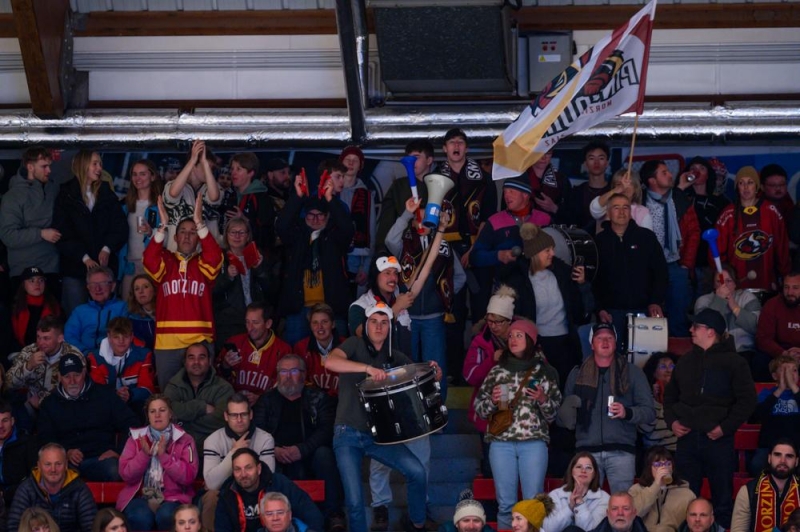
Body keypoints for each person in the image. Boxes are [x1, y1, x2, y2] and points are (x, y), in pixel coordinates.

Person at [324, 303, 440, 532]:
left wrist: (434, 371)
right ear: (366, 325)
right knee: (355, 501)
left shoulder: (395, 356)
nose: (379, 326)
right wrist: (367, 368)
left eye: (384, 322)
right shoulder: (354, 344)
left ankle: (417, 523)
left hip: (379, 436)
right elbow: (330, 362)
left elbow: (424, 376)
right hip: (347, 432)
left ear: (390, 327)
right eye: (374, 322)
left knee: (416, 471)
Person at [663, 308, 757, 529]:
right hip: (686, 440)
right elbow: (669, 398)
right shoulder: (685, 361)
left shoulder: (735, 363)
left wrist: (725, 428)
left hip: (718, 441)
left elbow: (748, 401)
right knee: (685, 501)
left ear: (711, 332)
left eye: (696, 327)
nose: (690, 330)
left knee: (722, 502)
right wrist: (672, 422)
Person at [473, 319, 562, 530]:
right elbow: (479, 409)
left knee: (532, 504)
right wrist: (492, 401)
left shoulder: (544, 371)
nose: (513, 339)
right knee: (505, 505)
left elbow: (554, 415)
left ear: (530, 339)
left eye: (519, 335)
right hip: (500, 443)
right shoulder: (497, 371)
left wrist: (542, 399)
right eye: (511, 335)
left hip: (533, 443)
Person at [384, 194, 465, 401]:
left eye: (425, 218)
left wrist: (442, 297)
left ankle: (438, 412)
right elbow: (388, 239)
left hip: (433, 317)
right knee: (406, 366)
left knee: (435, 366)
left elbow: (459, 277)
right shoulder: (403, 244)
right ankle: (412, 413)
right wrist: (406, 213)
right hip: (405, 317)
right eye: (416, 218)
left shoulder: (444, 245)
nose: (421, 223)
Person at [558, 323, 655, 494]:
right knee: (585, 506)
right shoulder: (577, 374)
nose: (605, 341)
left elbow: (649, 412)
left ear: (616, 343)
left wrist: (628, 412)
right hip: (586, 453)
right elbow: (563, 420)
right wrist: (568, 412)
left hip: (622, 452)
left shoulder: (633, 373)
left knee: (622, 507)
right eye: (599, 337)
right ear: (591, 344)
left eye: (609, 337)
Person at [253, 355, 344, 531]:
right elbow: (258, 429)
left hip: (310, 455)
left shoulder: (318, 398)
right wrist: (274, 450)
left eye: (294, 371)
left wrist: (302, 450)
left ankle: (334, 514)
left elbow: (326, 430)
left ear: (304, 375)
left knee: (325, 454)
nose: (288, 376)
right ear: (277, 375)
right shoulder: (266, 400)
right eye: (283, 372)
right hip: (277, 457)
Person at [143, 192, 224, 391]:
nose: (187, 236)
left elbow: (215, 257)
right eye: (182, 232)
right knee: (169, 395)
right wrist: (163, 226)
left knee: (202, 394)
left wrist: (200, 223)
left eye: (192, 232)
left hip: (199, 342)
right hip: (167, 344)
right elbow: (149, 260)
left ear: (198, 238)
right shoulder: (167, 260)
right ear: (176, 237)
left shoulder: (203, 264)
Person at [498, 222, 589, 387]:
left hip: (565, 344)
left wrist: (582, 285)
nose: (553, 253)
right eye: (547, 250)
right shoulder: (518, 281)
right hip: (536, 344)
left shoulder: (563, 273)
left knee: (564, 388)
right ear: (534, 253)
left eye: (552, 249)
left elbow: (581, 312)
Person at [276, 168, 353, 346]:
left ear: (328, 217)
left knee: (337, 356)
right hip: (298, 308)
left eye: (320, 216)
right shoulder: (297, 236)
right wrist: (298, 197)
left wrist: (330, 199)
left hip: (331, 307)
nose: (315, 219)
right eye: (311, 214)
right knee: (296, 353)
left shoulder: (334, 237)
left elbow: (347, 228)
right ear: (304, 216)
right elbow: (282, 226)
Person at [37, 353, 137, 481]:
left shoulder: (105, 395)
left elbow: (132, 424)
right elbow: (45, 438)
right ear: (59, 377)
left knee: (115, 469)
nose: (72, 381)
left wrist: (118, 451)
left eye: (77, 375)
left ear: (84, 373)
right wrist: (65, 452)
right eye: (67, 377)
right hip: (66, 463)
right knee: (53, 474)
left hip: (102, 459)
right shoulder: (49, 404)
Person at [53, 150, 127, 314]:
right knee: (77, 314)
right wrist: (84, 258)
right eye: (94, 164)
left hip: (104, 269)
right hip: (75, 269)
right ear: (83, 165)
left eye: (100, 164)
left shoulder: (106, 192)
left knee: (107, 316)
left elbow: (120, 226)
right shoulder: (66, 194)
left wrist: (107, 248)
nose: (99, 168)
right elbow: (62, 232)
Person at [593, 193, 667, 353]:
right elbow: (594, 281)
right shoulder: (599, 241)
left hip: (644, 311)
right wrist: (599, 308)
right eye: (616, 207)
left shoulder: (647, 238)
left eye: (625, 207)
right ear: (608, 212)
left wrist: (655, 301)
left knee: (644, 361)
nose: (621, 212)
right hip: (611, 313)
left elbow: (661, 273)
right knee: (613, 359)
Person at [117, 394, 198, 532]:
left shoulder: (184, 439)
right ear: (147, 416)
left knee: (166, 515)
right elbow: (126, 475)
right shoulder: (135, 439)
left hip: (174, 497)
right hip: (141, 496)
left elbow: (188, 477)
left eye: (162, 410)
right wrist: (144, 454)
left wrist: (164, 456)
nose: (157, 415)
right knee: (139, 516)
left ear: (170, 414)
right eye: (152, 411)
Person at [640, 159, 700, 338]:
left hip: (676, 265)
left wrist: (686, 265)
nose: (670, 175)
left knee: (679, 317)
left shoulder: (680, 198)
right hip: (648, 268)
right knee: (648, 316)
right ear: (652, 180)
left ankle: (678, 359)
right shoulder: (639, 200)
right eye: (664, 172)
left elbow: (694, 232)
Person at [201, 393, 276, 529]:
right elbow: (212, 484)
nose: (239, 419)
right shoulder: (212, 441)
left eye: (244, 414)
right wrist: (233, 453)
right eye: (234, 415)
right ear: (226, 416)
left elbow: (268, 477)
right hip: (225, 494)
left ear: (251, 414)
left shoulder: (265, 439)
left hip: (255, 493)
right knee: (211, 497)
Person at [716, 165, 791, 291]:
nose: (746, 187)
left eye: (750, 182)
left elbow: (782, 248)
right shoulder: (727, 214)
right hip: (737, 285)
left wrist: (785, 276)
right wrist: (725, 280)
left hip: (767, 283)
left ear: (757, 186)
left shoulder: (771, 211)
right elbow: (718, 252)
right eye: (741, 183)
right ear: (736, 187)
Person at [214, 448, 324, 532]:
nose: (243, 474)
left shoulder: (278, 483)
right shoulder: (227, 493)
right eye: (237, 469)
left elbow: (310, 512)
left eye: (248, 468)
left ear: (259, 469)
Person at [0, 147, 60, 293]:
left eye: (49, 166)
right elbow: (8, 235)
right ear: (30, 167)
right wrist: (41, 233)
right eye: (44, 166)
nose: (49, 171)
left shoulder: (53, 189)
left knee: (53, 315)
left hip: (51, 268)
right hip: (23, 271)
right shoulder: (12, 196)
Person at [5, 316, 83, 419]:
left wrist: (42, 402)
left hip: (61, 409)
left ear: (60, 338)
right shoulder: (29, 351)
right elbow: (8, 384)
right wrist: (28, 366)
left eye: (46, 338)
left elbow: (76, 390)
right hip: (29, 406)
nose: (41, 343)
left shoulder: (73, 356)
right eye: (38, 337)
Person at [7, 443, 97, 532]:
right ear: (39, 466)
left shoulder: (79, 489)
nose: (53, 469)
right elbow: (14, 526)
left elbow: (91, 527)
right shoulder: (27, 489)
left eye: (58, 464)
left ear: (66, 465)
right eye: (47, 464)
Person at [464, 286, 516, 435]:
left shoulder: (524, 340)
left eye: (498, 322)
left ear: (509, 321)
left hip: (519, 413)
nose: (492, 326)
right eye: (490, 321)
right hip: (488, 412)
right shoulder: (480, 341)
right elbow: (469, 376)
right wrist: (491, 361)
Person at [673, 157, 730, 295]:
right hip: (684, 261)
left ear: (709, 175)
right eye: (693, 168)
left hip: (710, 263)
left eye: (702, 168)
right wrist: (681, 188)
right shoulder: (679, 198)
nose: (697, 171)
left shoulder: (721, 202)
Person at [163, 343, 234, 453]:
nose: (196, 362)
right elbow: (165, 414)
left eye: (202, 357)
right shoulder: (173, 385)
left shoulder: (223, 388)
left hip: (213, 451)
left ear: (210, 361)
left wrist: (181, 422)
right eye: (191, 357)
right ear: (185, 362)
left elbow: (222, 421)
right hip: (177, 452)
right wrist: (200, 407)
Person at [213, 217, 271, 350]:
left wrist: (260, 269)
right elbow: (211, 292)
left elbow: (271, 289)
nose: (237, 236)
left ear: (248, 236)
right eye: (233, 232)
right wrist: (227, 277)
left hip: (255, 321)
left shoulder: (258, 255)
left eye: (241, 232)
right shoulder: (219, 258)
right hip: (229, 321)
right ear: (226, 235)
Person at [217, 302, 291, 405]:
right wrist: (225, 366)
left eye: (255, 322)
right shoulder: (234, 342)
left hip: (267, 407)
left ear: (268, 323)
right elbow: (216, 380)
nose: (250, 328)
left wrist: (261, 398)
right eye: (247, 322)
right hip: (234, 405)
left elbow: (287, 387)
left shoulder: (283, 350)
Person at [87, 317, 155, 416]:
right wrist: (115, 394)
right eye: (116, 337)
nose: (121, 341)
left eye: (125, 336)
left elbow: (148, 389)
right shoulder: (95, 358)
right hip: (106, 405)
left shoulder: (144, 355)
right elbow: (97, 391)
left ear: (132, 336)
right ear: (109, 337)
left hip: (135, 404)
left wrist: (130, 394)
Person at [161, 140, 222, 250]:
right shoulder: (173, 185)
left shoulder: (214, 187)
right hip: (177, 255)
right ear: (193, 165)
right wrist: (193, 160)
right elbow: (173, 193)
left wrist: (204, 163)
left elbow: (214, 197)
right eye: (205, 166)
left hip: (205, 257)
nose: (209, 172)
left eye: (211, 168)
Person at [731, 439, 799, 532]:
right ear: (769, 458)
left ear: (796, 461)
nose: (783, 461)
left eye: (789, 456)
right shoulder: (748, 491)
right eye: (777, 455)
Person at [694, 263, 761, 356]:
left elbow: (755, 327)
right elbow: (703, 330)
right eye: (719, 281)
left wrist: (734, 306)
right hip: (713, 353)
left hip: (744, 352)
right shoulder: (703, 301)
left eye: (728, 281)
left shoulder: (747, 298)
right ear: (713, 284)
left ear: (735, 284)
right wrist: (719, 301)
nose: (724, 286)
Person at [119, 159, 163, 300]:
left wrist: (151, 233)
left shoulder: (161, 205)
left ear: (153, 176)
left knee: (152, 309)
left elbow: (169, 236)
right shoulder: (124, 206)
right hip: (129, 265)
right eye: (134, 174)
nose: (138, 178)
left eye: (142, 174)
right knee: (128, 308)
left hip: (152, 266)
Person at [751, 356, 800, 476]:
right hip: (769, 447)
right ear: (774, 376)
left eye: (794, 370)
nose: (790, 375)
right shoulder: (766, 394)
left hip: (797, 446)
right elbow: (758, 415)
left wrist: (794, 388)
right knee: (757, 465)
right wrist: (780, 389)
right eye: (784, 370)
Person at [628, 447, 696, 532]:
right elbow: (632, 515)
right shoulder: (636, 489)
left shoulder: (687, 494)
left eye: (668, 464)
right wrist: (656, 485)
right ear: (649, 468)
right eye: (658, 465)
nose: (664, 468)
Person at [339, 146, 375, 298]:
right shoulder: (331, 191)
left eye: (355, 161)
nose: (351, 163)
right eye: (348, 160)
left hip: (355, 263)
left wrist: (365, 268)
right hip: (331, 259)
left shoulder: (366, 195)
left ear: (361, 165)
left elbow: (371, 231)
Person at [64, 267, 128, 353]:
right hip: (84, 357)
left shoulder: (123, 308)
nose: (97, 288)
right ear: (88, 288)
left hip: (115, 357)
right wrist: (86, 353)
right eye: (93, 284)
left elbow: (126, 335)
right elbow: (70, 336)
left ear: (112, 286)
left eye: (102, 283)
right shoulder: (79, 311)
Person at [543, 452, 610, 532]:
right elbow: (548, 529)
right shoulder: (555, 495)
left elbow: (592, 530)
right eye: (579, 467)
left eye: (588, 468)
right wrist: (569, 508)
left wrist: (580, 504)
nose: (583, 471)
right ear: (571, 472)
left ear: (594, 474)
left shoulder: (604, 498)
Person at [224, 151, 275, 253]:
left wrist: (245, 221)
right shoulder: (231, 196)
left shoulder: (262, 198)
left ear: (251, 173)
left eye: (238, 169)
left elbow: (267, 234)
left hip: (257, 256)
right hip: (232, 254)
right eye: (232, 168)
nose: (233, 173)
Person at [292, 303, 346, 395]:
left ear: (333, 324)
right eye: (315, 323)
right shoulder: (300, 348)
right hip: (313, 403)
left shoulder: (347, 346)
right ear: (310, 326)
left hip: (341, 402)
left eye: (324, 322)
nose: (319, 327)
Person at [756, 271, 800, 372]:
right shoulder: (772, 305)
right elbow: (763, 339)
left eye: (795, 288)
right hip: (779, 352)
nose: (789, 292)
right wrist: (784, 353)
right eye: (786, 287)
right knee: (760, 360)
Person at [10, 266, 61, 351]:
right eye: (32, 280)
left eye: (41, 280)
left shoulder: (55, 307)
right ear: (23, 284)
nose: (37, 284)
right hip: (21, 353)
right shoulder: (15, 308)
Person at [0, 400, 38, 508]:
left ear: (12, 421)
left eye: (5, 420)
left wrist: (5, 495)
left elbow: (34, 478)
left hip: (21, 501)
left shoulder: (28, 443)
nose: (0, 426)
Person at [640, 353, 679, 451]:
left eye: (671, 366)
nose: (668, 370)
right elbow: (645, 429)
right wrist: (656, 400)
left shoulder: (683, 394)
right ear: (654, 372)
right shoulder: (645, 395)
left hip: (678, 450)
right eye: (663, 366)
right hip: (654, 453)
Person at [571, 141, 611, 229]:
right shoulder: (576, 193)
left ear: (607, 163)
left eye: (601, 158)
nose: (596, 163)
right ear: (585, 164)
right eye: (591, 158)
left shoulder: (613, 191)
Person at [525, 149, 571, 223]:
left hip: (550, 229)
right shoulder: (520, 177)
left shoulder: (561, 179)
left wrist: (554, 208)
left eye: (548, 153)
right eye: (539, 153)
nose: (543, 157)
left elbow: (571, 215)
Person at [126, 274, 156, 349]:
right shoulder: (132, 318)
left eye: (145, 287)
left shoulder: (166, 313)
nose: (141, 291)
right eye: (136, 289)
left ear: (154, 290)